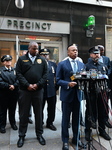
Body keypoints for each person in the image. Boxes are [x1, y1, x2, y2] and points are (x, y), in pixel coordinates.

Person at [16, 41, 47, 148]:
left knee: (38, 114)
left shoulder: (42, 60)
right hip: (25, 91)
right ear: (29, 48)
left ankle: (39, 134)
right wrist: (27, 84)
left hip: (38, 91)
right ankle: (21, 135)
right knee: (24, 114)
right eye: (34, 48)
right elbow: (18, 74)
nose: (36, 50)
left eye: (37, 48)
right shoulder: (21, 59)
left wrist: (37, 85)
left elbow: (45, 74)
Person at [56, 44, 86, 150]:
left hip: (78, 96)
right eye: (73, 51)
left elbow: (84, 78)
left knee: (77, 120)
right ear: (68, 52)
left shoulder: (81, 64)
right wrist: (68, 84)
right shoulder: (62, 64)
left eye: (76, 50)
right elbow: (58, 80)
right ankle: (65, 140)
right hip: (67, 96)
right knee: (65, 120)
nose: (75, 52)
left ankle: (76, 138)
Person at [84, 46, 111, 141]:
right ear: (91, 55)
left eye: (98, 53)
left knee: (102, 111)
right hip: (91, 92)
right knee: (90, 112)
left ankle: (102, 130)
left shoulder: (102, 65)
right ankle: (88, 131)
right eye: (95, 53)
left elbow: (106, 76)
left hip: (102, 92)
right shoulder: (87, 66)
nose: (97, 55)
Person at [39, 48, 58, 131]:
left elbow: (57, 77)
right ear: (40, 55)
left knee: (51, 108)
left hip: (51, 90)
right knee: (40, 108)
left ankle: (50, 123)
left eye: (46, 54)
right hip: (41, 90)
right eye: (43, 54)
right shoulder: (37, 65)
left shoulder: (53, 64)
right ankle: (40, 123)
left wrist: (55, 88)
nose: (45, 56)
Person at [0, 55, 19, 133]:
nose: (8, 62)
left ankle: (13, 123)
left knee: (12, 110)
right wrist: (8, 86)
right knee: (2, 111)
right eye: (7, 61)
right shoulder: (0, 71)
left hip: (13, 94)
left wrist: (14, 86)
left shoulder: (15, 70)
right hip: (3, 94)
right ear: (3, 62)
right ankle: (2, 126)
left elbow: (18, 80)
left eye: (10, 60)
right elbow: (0, 82)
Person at [98, 45, 112, 128]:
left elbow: (109, 69)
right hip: (96, 85)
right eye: (100, 50)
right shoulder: (91, 60)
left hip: (106, 84)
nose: (101, 51)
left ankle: (105, 119)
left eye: (102, 50)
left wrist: (106, 75)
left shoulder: (106, 59)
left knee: (105, 103)